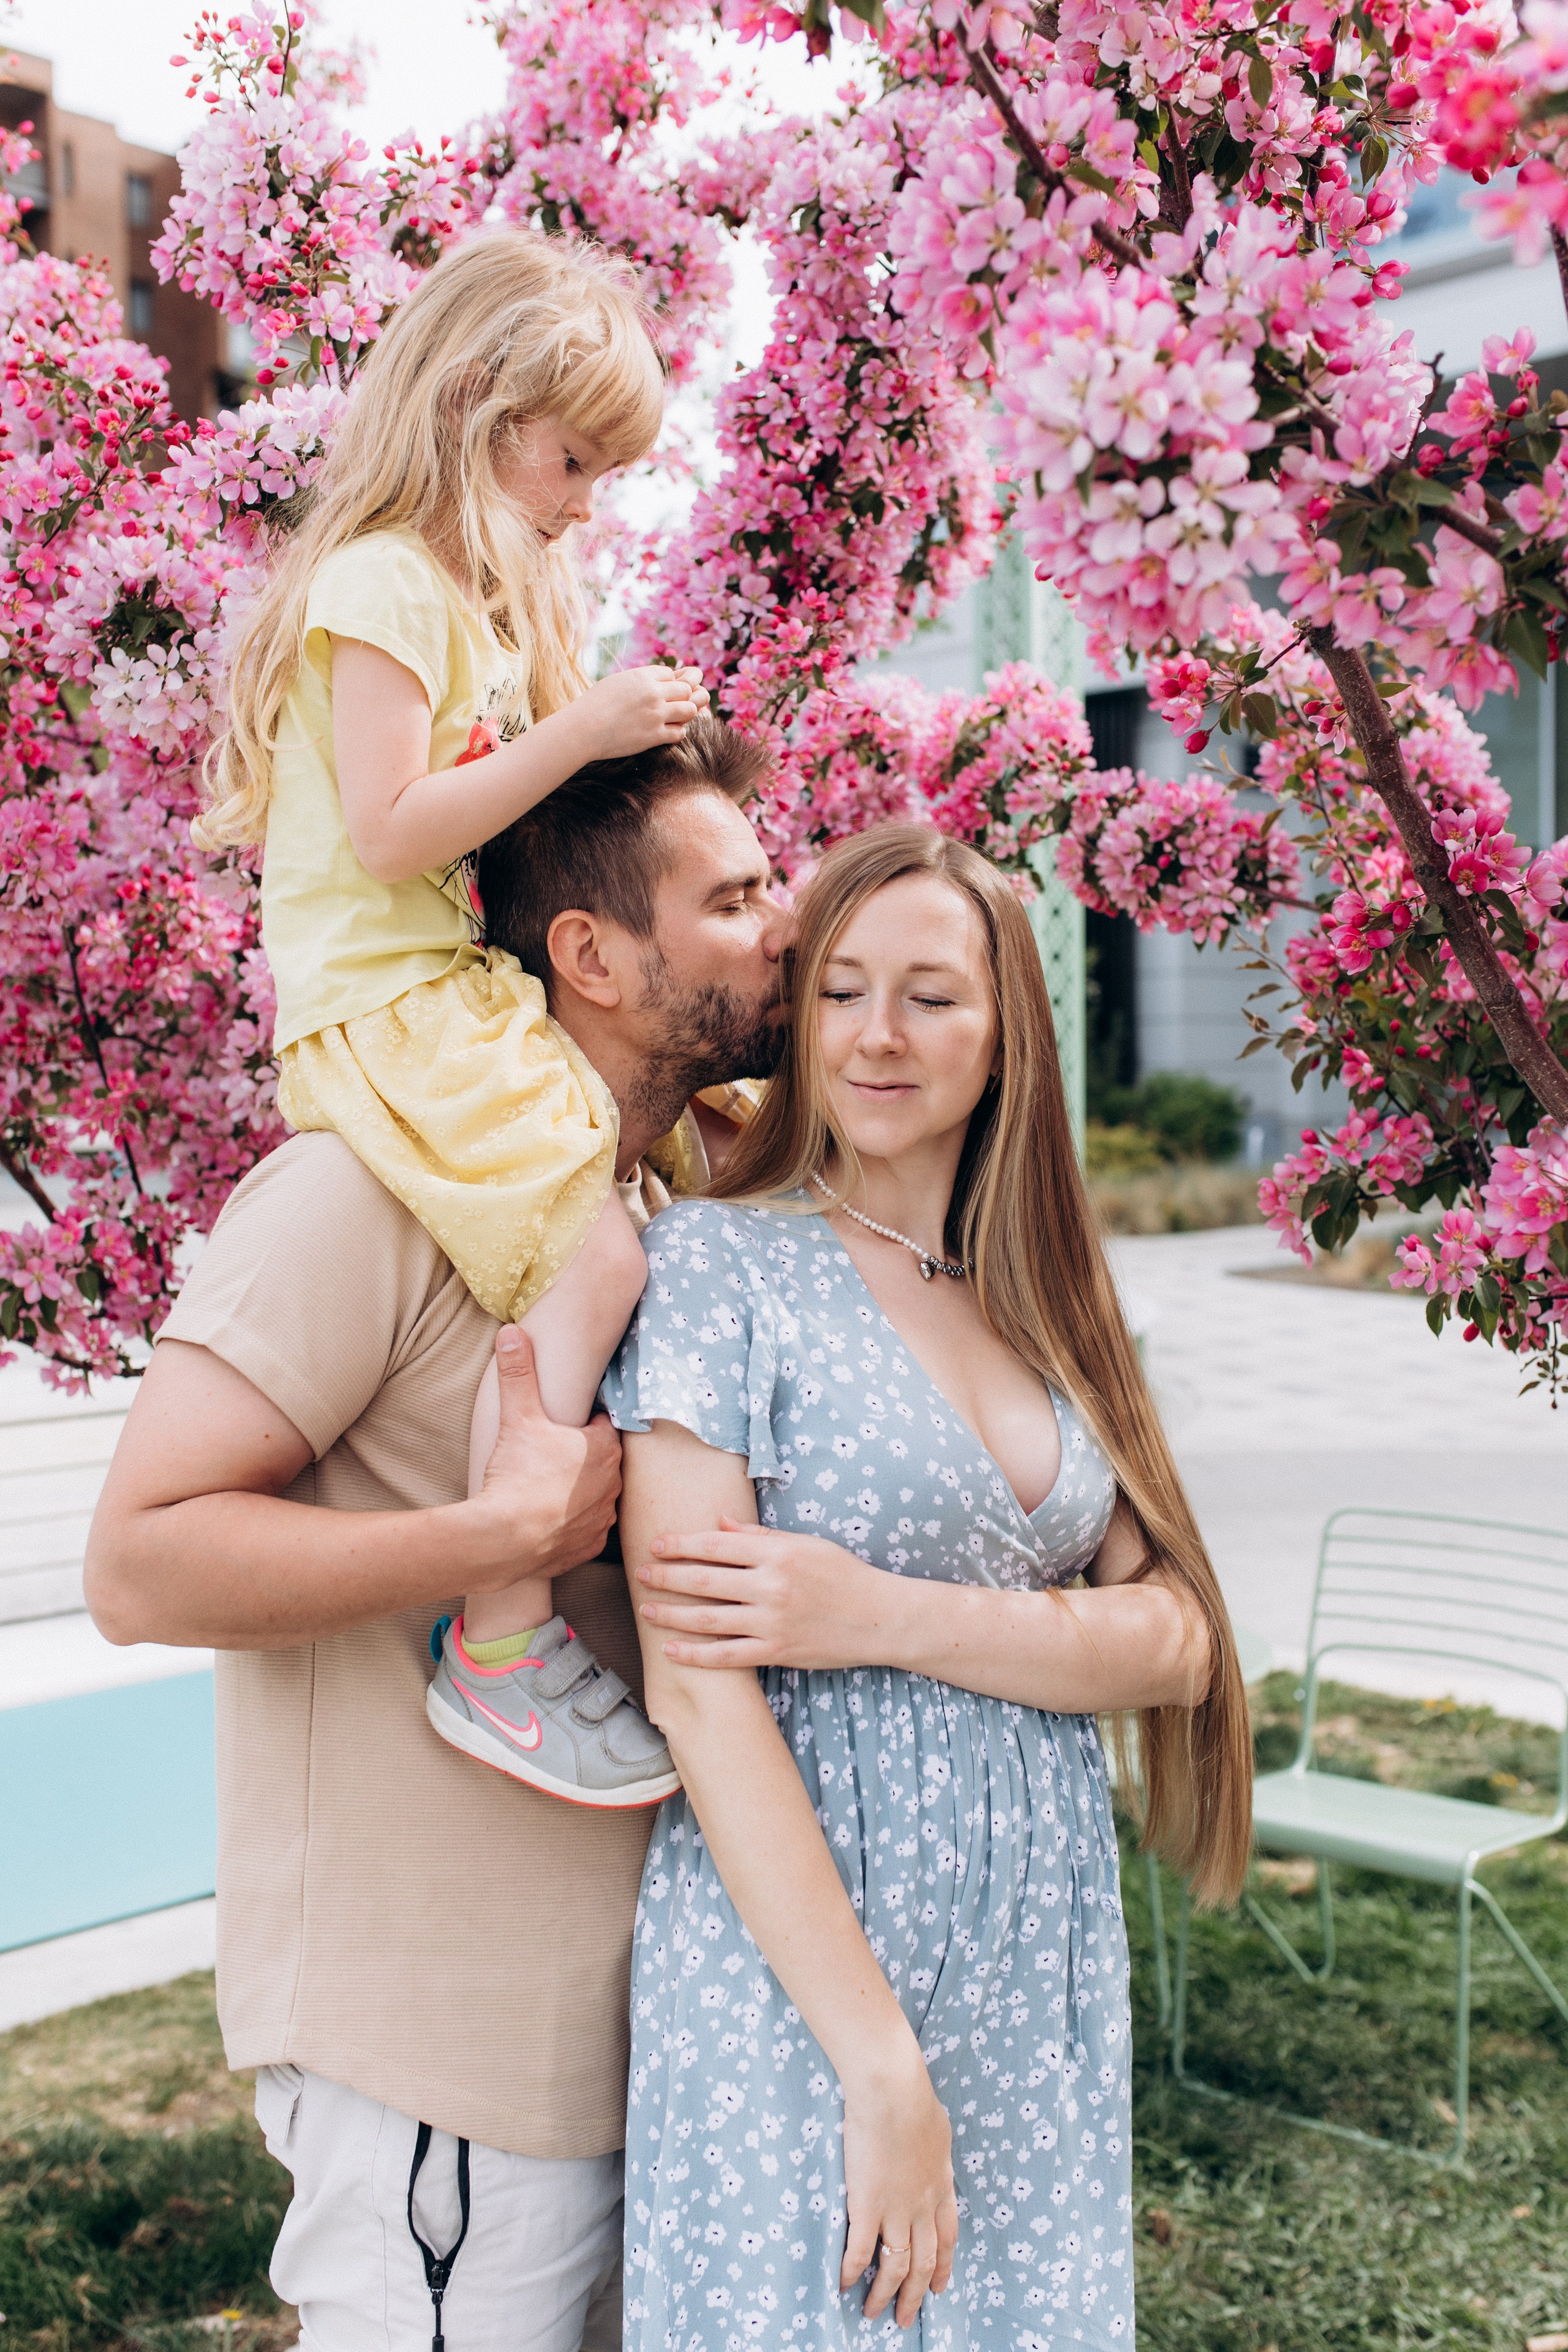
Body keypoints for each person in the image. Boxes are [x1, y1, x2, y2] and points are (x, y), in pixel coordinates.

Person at [82, 729, 785, 2351]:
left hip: (655, 2056)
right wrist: (495, 1531)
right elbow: (138, 1564)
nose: (786, 919)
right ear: (593, 957)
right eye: (738, 894)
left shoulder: (669, 1204)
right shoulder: (360, 1197)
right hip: (445, 2073)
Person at [601, 824, 1253, 2350]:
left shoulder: (1050, 1300)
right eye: (837, 992)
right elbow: (701, 1690)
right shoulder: (720, 1270)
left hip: (1034, 1963)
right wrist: (878, 2064)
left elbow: (1174, 1642)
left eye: (929, 996)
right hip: (808, 1976)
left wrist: (878, 1615)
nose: (877, 1036)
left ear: (1005, 1027)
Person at [202, 224, 709, 1800]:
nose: (581, 502)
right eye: (570, 461)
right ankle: (501, 1640)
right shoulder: (379, 583)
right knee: (602, 1240)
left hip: (441, 993)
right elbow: (391, 828)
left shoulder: (465, 600)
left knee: (669, 1177)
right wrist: (585, 730)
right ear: (476, 410)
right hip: (384, 1004)